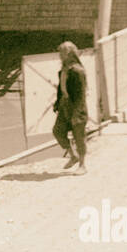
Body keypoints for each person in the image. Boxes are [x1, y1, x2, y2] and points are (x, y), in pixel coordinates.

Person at [51, 40, 89, 175]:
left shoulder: (77, 71)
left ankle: (83, 165)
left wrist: (77, 114)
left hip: (77, 108)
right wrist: (57, 103)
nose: (60, 56)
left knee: (79, 137)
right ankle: (73, 156)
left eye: (63, 53)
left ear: (70, 54)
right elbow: (61, 90)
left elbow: (80, 96)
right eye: (60, 53)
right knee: (58, 131)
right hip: (64, 106)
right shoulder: (63, 71)